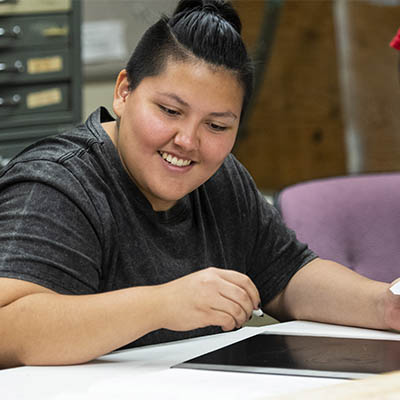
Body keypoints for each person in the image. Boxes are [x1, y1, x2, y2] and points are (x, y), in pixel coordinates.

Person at [0, 0, 399, 369]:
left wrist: (383, 305)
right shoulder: (56, 184)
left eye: (217, 125)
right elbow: (9, 330)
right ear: (124, 92)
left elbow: (288, 274)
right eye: (170, 111)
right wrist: (162, 304)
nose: (188, 141)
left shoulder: (220, 177)